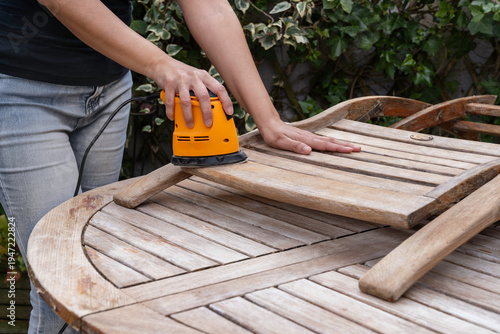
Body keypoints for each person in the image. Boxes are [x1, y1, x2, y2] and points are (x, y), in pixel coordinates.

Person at [0, 0, 361, 332]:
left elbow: (210, 8)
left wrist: (268, 119)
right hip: (20, 92)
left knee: (98, 260)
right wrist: (161, 64)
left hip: (109, 90)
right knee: (60, 275)